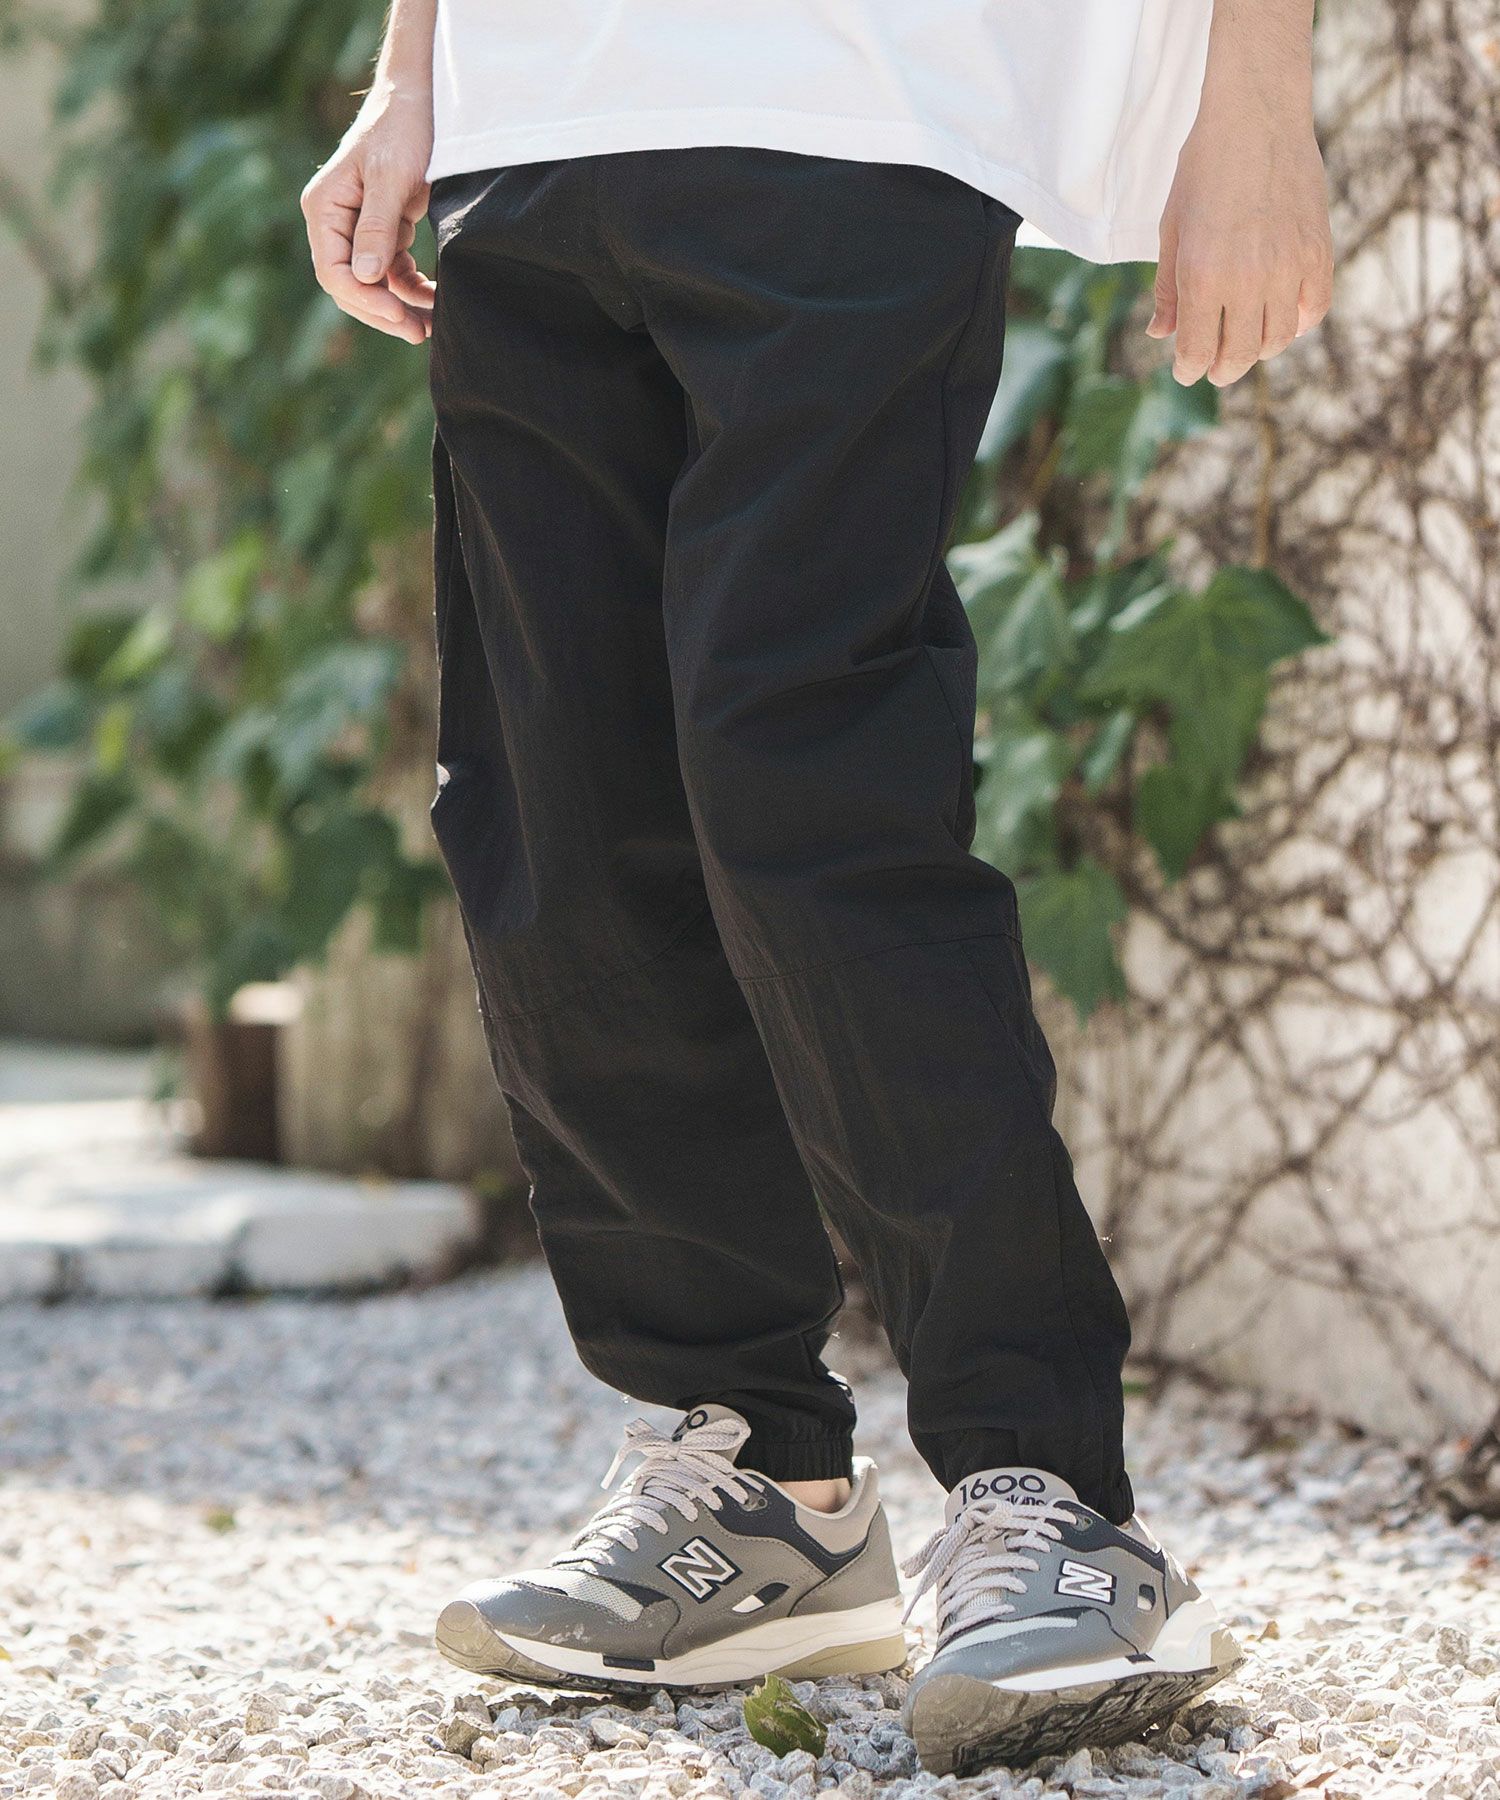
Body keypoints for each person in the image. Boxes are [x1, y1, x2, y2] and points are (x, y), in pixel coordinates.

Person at [301, 0, 1332, 1769]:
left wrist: (1257, 101)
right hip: (531, 126)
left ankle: (1048, 1493)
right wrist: (411, 74)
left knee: (811, 802)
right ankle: (759, 1485)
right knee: (560, 831)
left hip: (868, 99)